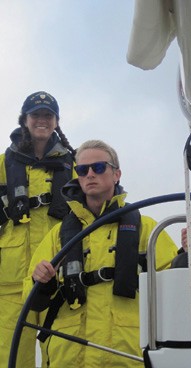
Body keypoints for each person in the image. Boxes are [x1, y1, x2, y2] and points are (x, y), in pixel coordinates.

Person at [24, 139, 191, 368]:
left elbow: (176, 289)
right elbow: (31, 298)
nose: (90, 174)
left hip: (126, 354)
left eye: (98, 168)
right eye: (82, 169)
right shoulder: (58, 234)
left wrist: (187, 254)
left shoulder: (147, 229)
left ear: (117, 174)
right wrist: (42, 281)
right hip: (68, 354)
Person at [0, 91, 76, 368]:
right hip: (9, 281)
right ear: (25, 120)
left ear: (56, 121)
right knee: (10, 357)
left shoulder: (76, 167)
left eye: (48, 115)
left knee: (59, 353)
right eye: (36, 115)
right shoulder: (2, 164)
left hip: (56, 274)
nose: (42, 120)